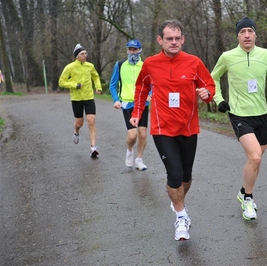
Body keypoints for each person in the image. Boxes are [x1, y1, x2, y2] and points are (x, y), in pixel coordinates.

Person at [129, 19, 215, 241]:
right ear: (160, 40)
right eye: (169, 38)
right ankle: (181, 216)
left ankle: (177, 200)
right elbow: (141, 89)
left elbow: (209, 85)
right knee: (174, 174)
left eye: (178, 38)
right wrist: (137, 113)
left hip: (188, 128)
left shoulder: (194, 62)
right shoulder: (150, 64)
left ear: (183, 39)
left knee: (186, 177)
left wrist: (207, 95)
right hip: (162, 128)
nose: (174, 42)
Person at [211, 17, 267, 221]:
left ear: (255, 34)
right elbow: (213, 78)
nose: (246, 35)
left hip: (261, 114)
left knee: (256, 160)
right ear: (237, 35)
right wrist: (219, 100)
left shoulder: (266, 55)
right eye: (242, 31)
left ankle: (243, 190)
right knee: (255, 157)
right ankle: (248, 199)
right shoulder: (227, 56)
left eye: (250, 31)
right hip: (239, 114)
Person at [109, 39, 150, 170]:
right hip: (126, 104)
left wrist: (151, 93)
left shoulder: (145, 65)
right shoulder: (120, 64)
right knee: (132, 136)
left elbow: (153, 83)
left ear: (140, 50)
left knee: (142, 134)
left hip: (143, 103)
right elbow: (113, 85)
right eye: (130, 49)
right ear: (127, 50)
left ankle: (139, 159)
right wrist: (116, 99)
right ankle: (130, 150)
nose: (132, 52)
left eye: (135, 49)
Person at [59, 44, 103, 158]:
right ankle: (76, 131)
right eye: (82, 54)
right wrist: (74, 85)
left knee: (91, 121)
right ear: (77, 56)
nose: (85, 56)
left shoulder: (90, 66)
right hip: (76, 98)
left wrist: (98, 87)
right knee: (79, 123)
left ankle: (93, 147)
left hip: (89, 97)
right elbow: (61, 82)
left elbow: (96, 77)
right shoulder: (70, 67)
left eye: (85, 53)